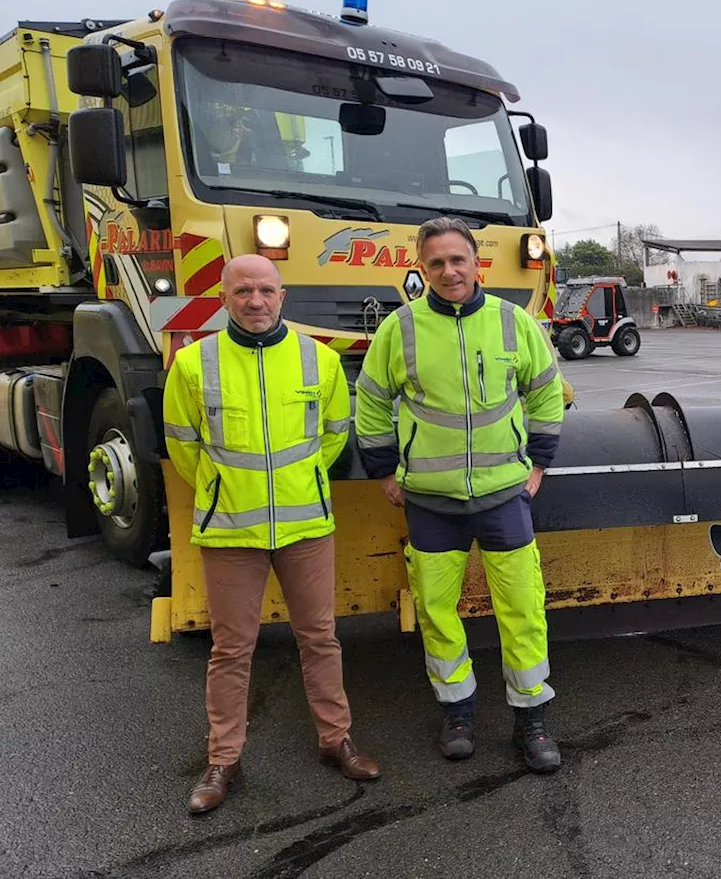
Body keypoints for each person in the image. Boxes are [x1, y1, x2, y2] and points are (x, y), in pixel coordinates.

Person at [162, 253, 381, 815]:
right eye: (242, 292)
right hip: (231, 531)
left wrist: (299, 482)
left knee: (320, 637)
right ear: (223, 297)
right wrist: (224, 494)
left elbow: (335, 436)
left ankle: (336, 741)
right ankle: (223, 760)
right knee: (231, 649)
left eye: (265, 290)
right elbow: (184, 447)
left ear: (282, 295)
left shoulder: (319, 360)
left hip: (305, 525)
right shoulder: (192, 364)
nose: (255, 301)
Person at [355, 216, 565, 773]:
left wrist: (538, 466)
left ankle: (533, 719)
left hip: (504, 498)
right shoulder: (399, 330)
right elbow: (371, 402)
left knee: (522, 608)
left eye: (458, 260)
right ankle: (457, 711)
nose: (449, 271)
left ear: (477, 263)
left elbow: (546, 394)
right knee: (437, 611)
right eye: (437, 262)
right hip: (430, 503)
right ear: (421, 269)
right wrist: (383, 471)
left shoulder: (514, 323)